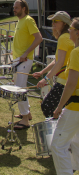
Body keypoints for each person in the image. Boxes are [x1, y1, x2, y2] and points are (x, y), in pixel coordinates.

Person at [51, 17, 79, 175]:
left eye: (72, 29)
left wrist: (59, 107)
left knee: (58, 145)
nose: (69, 31)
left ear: (78, 33)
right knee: (76, 142)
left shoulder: (76, 53)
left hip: (75, 107)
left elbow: (71, 84)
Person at [33, 11, 74, 118]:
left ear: (64, 23)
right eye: (52, 21)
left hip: (64, 80)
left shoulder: (64, 38)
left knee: (47, 106)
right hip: (67, 79)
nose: (53, 24)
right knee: (61, 110)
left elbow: (60, 62)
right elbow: (57, 60)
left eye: (56, 21)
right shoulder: (66, 36)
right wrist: (42, 72)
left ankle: (57, 131)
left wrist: (46, 79)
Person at [12, 0, 42, 130]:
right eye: (14, 7)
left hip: (24, 59)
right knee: (20, 86)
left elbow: (39, 38)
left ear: (24, 8)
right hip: (18, 59)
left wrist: (25, 54)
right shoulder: (20, 21)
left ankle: (25, 119)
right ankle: (27, 113)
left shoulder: (29, 20)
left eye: (17, 7)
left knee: (19, 89)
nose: (14, 9)